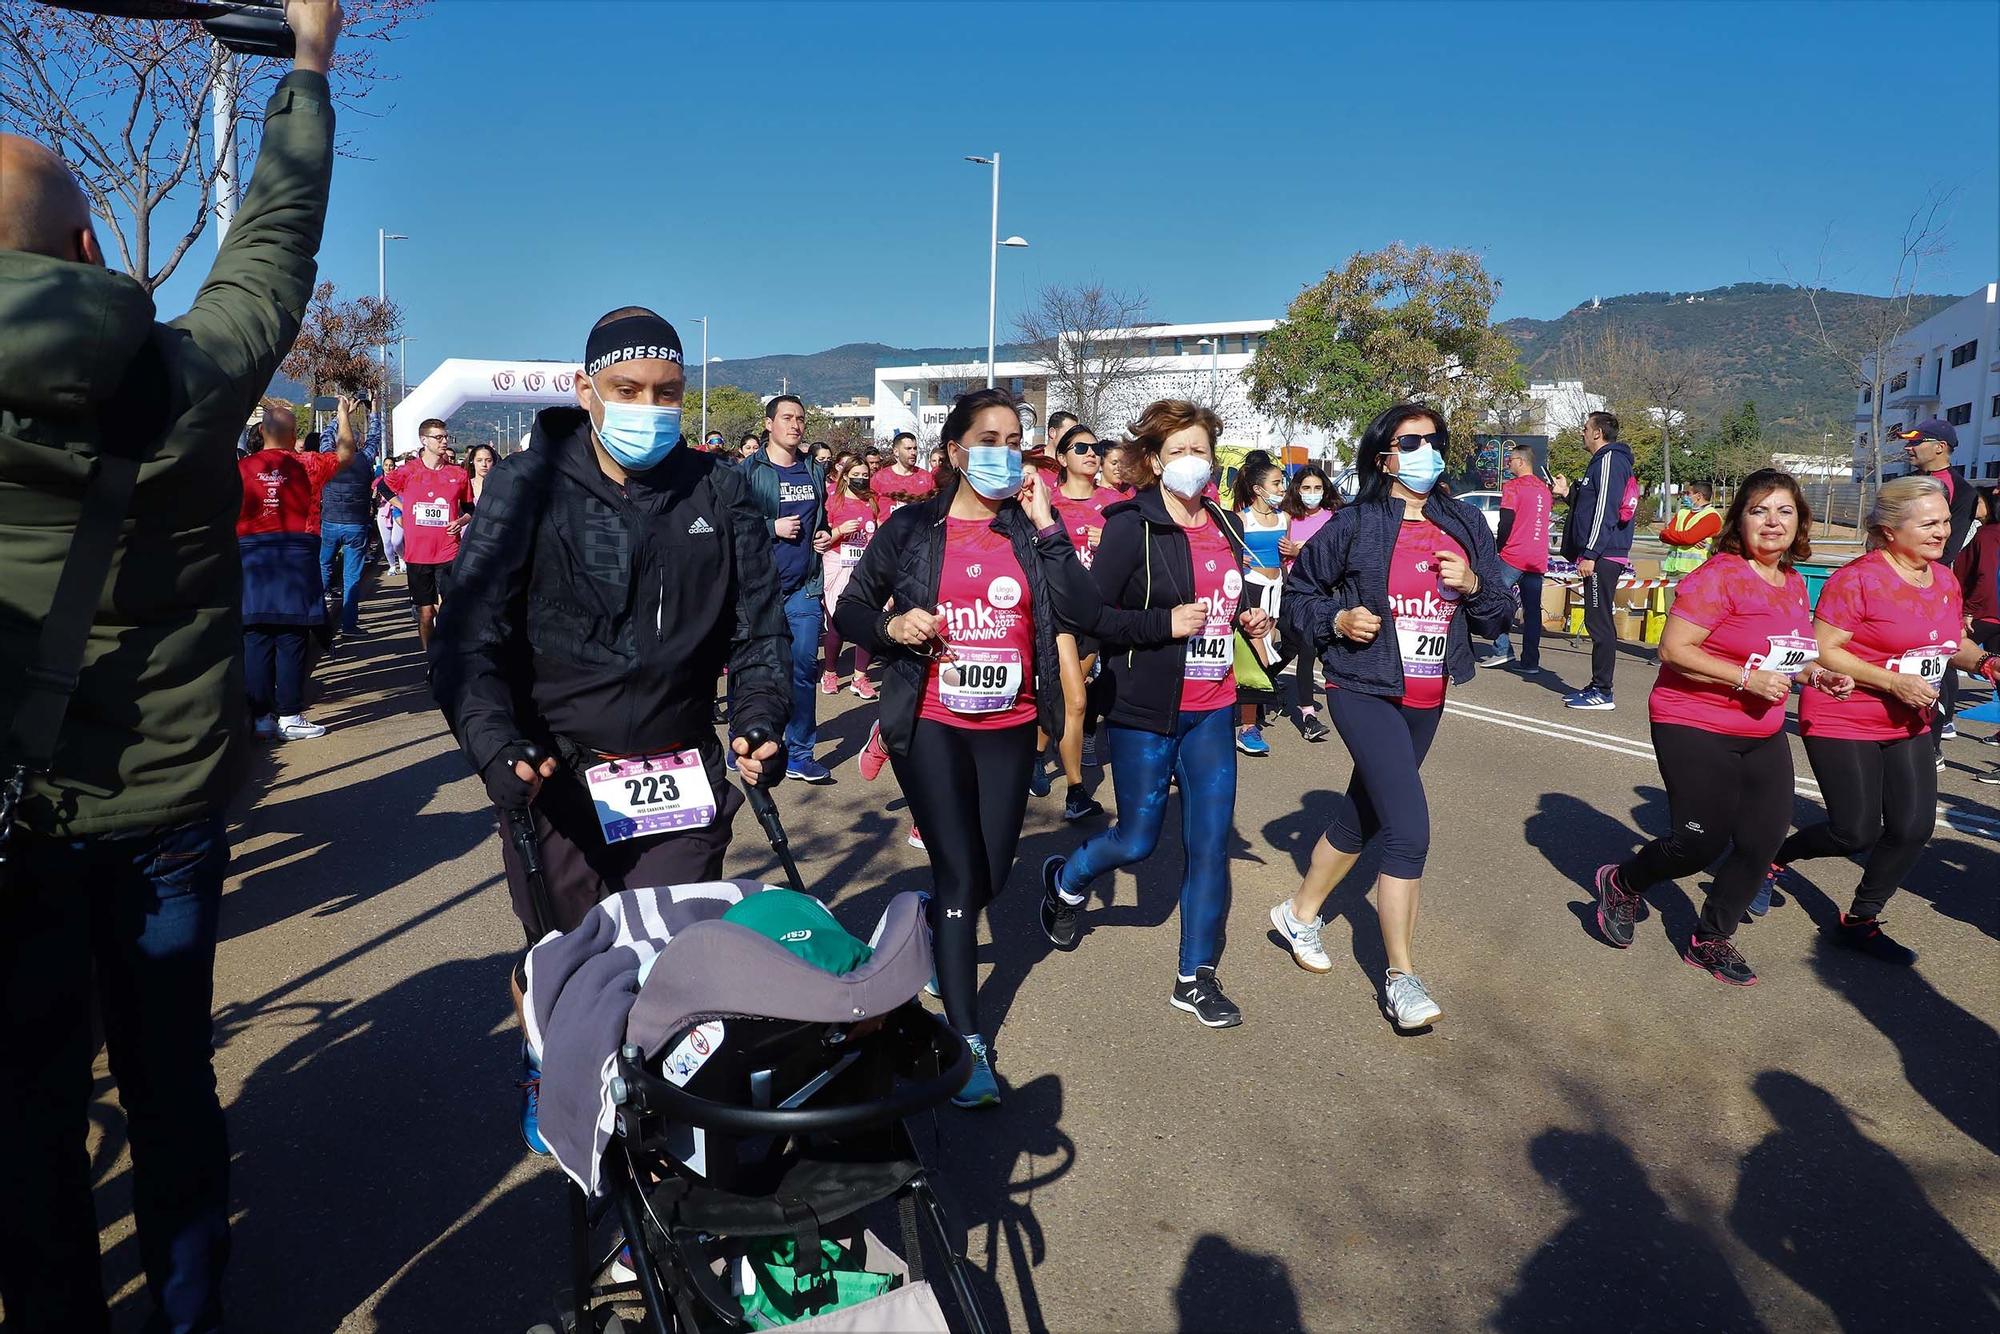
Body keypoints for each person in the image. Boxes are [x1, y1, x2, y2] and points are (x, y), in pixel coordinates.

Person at [0, 2, 339, 1327]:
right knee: (167, 1077)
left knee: (29, 1102)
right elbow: (272, 252)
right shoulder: (189, 385)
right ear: (92, 249)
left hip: (20, 815)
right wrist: (306, 67)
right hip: (168, 811)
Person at [432, 307, 790, 1149]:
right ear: (588, 391)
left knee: (674, 969)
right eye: (628, 389)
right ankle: (546, 1061)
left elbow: (760, 631)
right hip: (556, 777)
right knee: (567, 960)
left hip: (677, 772)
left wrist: (764, 716)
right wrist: (495, 747)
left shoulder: (719, 489)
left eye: (667, 392)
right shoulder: (528, 485)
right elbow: (465, 642)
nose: (649, 407)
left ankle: (659, 1174)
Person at [834, 387, 1099, 1103]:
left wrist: (1047, 526)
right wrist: (891, 629)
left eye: (1015, 439)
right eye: (989, 438)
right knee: (957, 878)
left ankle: (919, 924)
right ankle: (965, 1044)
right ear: (954, 451)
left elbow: (1083, 608)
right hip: (930, 723)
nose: (1005, 452)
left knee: (992, 877)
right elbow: (850, 608)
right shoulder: (913, 529)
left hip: (1009, 724)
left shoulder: (1029, 531)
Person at [1275, 402, 1516, 1030]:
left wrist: (1470, 585)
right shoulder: (1355, 525)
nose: (1426, 451)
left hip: (1427, 694)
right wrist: (1337, 620)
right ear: (1384, 455)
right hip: (1363, 687)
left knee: (1366, 813)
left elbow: (1497, 617)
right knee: (1409, 830)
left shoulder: (1464, 523)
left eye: (1435, 441)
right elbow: (1297, 597)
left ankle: (1299, 915)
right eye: (1411, 442)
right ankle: (1401, 978)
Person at [1037, 400, 1275, 1029]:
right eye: (1178, 452)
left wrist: (1248, 617)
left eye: (1200, 450)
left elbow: (1231, 594)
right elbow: (1091, 617)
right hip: (1145, 710)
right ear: (1152, 461)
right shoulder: (1128, 527)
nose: (1191, 463)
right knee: (1138, 840)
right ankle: (1067, 878)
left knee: (1208, 846)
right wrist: (1163, 625)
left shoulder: (1224, 523)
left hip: (1214, 708)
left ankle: (1195, 976)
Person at [1589, 471, 1854, 984]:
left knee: (1763, 841)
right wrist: (1745, 678)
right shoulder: (1720, 575)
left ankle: (1711, 938)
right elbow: (1674, 650)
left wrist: (1815, 674)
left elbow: (1787, 656)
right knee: (1698, 844)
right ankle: (1623, 881)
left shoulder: (1794, 583)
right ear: (1740, 521)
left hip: (1761, 730)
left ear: (1800, 521)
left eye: (1784, 511)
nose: (1772, 521)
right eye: (1759, 511)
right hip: (1693, 719)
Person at [1767, 475, 1999, 963]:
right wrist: (1892, 681)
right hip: (1844, 713)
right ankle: (1774, 858)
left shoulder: (1942, 578)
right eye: (1930, 523)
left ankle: (1860, 919)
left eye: (1944, 522)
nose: (1942, 532)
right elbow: (1825, 651)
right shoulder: (1858, 579)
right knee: (1854, 832)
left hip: (1907, 718)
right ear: (1891, 529)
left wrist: (1984, 663)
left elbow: (1949, 642)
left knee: (1914, 827)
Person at [238, 403, 347, 740]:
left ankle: (260, 718)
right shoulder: (308, 463)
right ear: (294, 436)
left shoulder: (241, 468)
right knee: (292, 634)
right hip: (296, 555)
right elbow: (346, 453)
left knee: (256, 634)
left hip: (251, 555)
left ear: (260, 432)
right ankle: (288, 715)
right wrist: (343, 413)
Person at [743, 394, 835, 782]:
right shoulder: (748, 471)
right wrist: (771, 527)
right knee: (755, 669)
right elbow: (732, 524)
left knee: (802, 667)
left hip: (804, 587)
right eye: (786, 418)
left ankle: (799, 752)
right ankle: (745, 740)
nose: (795, 425)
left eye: (800, 418)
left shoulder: (813, 470)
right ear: (769, 424)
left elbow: (823, 516)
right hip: (758, 589)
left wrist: (823, 535)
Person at [1041, 423, 1123, 818]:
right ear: (1062, 458)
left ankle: (1037, 752)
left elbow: (1129, 558)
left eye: (1095, 448)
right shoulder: (1047, 502)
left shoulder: (1114, 502)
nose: (1091, 454)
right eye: (1081, 448)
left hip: (1096, 617)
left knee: (1060, 698)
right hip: (1057, 616)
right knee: (1075, 700)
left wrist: (1108, 542)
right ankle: (1076, 793)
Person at [1891, 418, 1977, 754]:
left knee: (1939, 651)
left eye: (1916, 442)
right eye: (1907, 442)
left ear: (1940, 447)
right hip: (1901, 576)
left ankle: (1938, 729)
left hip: (1930, 584)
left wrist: (1919, 579)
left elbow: (1944, 548)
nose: (1909, 447)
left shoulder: (1954, 488)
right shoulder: (1913, 482)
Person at [1553, 410, 1636, 710]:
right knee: (1595, 619)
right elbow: (1591, 505)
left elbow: (1605, 510)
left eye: (1585, 428)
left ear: (1598, 433)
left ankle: (1603, 690)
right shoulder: (1602, 462)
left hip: (1602, 555)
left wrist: (1590, 553)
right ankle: (1597, 685)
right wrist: (1566, 495)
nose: (1582, 433)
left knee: (1599, 623)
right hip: (1599, 553)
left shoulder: (1611, 460)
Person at [385, 418, 473, 649]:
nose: (444, 441)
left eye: (446, 437)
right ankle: (430, 660)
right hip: (417, 554)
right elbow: (382, 486)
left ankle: (446, 657)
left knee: (447, 610)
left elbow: (471, 509)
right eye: (439, 437)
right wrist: (404, 507)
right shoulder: (408, 471)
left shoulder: (458, 474)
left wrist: (461, 520)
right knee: (425, 614)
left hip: (448, 552)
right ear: (424, 441)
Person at [1230, 455, 1289, 757]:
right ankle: (1247, 728)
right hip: (1250, 587)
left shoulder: (1284, 518)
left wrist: (1291, 552)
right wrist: (1235, 558)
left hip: (1275, 588)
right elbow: (1227, 551)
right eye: (1277, 483)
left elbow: (1287, 555)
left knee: (1268, 647)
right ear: (1257, 489)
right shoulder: (1241, 518)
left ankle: (1236, 707)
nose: (1282, 487)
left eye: (1282, 482)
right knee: (1258, 657)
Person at [1477, 444, 1555, 672]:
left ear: (1521, 462)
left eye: (1510, 459)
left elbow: (1506, 522)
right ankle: (1531, 662)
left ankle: (1503, 649)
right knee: (1532, 612)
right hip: (1537, 558)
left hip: (1514, 555)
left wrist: (1498, 548)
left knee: (1491, 598)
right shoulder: (1544, 489)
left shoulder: (1513, 486)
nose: (1507, 463)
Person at [1279, 463, 1336, 740]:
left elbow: (1335, 550)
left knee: (1301, 648)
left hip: (1320, 593)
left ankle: (1305, 714)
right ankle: (1306, 714)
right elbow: (1273, 550)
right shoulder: (1287, 518)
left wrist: (1301, 548)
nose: (1312, 493)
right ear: (1297, 490)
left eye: (1317, 488)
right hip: (1290, 592)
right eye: (1306, 488)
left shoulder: (1333, 518)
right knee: (1297, 647)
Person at [318, 395, 383, 638]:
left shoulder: (328, 458)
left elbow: (326, 434)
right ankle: (349, 625)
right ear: (356, 443)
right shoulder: (365, 460)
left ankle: (317, 615)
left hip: (329, 522)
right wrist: (373, 411)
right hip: (356, 524)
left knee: (323, 566)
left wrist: (342, 412)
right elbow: (375, 436)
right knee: (351, 576)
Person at [819, 449, 881, 700]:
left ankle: (860, 676)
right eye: (856, 474)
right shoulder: (833, 501)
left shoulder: (872, 501)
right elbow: (822, 539)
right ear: (845, 476)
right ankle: (830, 672)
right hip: (836, 563)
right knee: (837, 623)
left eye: (865, 474)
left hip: (863, 567)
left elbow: (876, 533)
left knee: (865, 622)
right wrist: (840, 530)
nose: (861, 479)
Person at [1958, 488, 2000, 782]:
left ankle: (1938, 728)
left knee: (1947, 653)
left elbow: (1981, 574)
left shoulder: (1987, 536)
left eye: (1981, 500)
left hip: (1986, 612)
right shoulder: (1985, 534)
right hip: (1990, 611)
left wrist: (1968, 610)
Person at [1658, 481, 1723, 579]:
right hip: (1672, 570)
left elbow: (1688, 538)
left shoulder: (1712, 516)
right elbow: (1663, 535)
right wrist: (1686, 540)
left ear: (1699, 496)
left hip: (1696, 572)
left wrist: (1682, 538)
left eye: (1688, 493)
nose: (1685, 496)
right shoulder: (1682, 513)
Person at [872, 429, 937, 511]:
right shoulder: (880, 478)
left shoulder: (927, 478)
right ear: (896, 452)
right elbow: (871, 509)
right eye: (908, 448)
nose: (913, 452)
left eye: (915, 448)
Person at [375, 478, 405, 575]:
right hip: (384, 512)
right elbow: (373, 498)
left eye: (391, 465)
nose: (389, 468)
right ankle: (392, 565)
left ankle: (401, 558)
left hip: (399, 510)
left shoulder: (399, 480)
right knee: (387, 542)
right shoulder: (378, 482)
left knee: (397, 541)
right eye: (386, 465)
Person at [464, 441, 499, 507]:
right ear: (472, 461)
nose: (484, 464)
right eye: (479, 460)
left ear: (493, 462)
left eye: (488, 460)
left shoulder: (500, 487)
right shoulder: (465, 486)